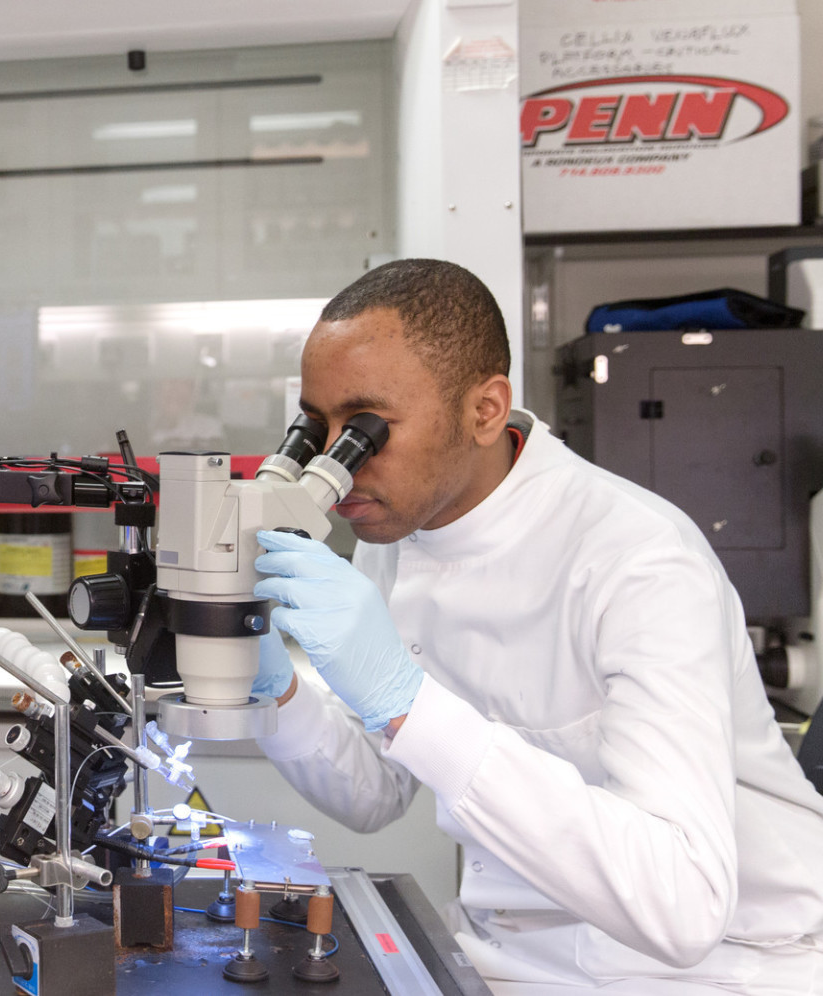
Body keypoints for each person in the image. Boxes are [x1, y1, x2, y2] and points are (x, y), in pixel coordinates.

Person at [249, 258, 823, 994]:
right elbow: (375, 795)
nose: (336, 461)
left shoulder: (636, 559)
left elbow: (683, 905)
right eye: (316, 427)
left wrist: (408, 702)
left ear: (485, 410)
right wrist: (273, 690)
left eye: (366, 429)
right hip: (510, 955)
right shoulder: (396, 538)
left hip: (724, 964)